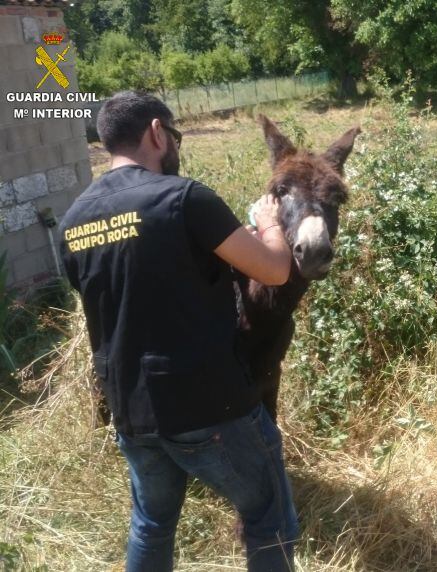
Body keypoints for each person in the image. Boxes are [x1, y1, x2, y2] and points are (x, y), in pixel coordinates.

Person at [59, 91, 298, 571]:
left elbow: (134, 287)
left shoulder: (72, 223)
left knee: (151, 524)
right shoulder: (185, 198)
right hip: (210, 406)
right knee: (269, 518)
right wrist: (269, 225)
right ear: (156, 132)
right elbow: (273, 271)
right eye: (175, 135)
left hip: (132, 412)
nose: (176, 146)